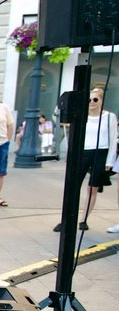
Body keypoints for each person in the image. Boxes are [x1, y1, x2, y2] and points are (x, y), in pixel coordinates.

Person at [57, 87, 117, 232]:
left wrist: (110, 161)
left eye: (95, 99)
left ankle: (83, 219)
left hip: (101, 152)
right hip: (83, 152)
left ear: (101, 100)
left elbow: (113, 139)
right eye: (89, 99)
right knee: (73, 187)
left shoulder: (109, 117)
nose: (92, 102)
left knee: (93, 187)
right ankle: (65, 220)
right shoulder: (81, 116)